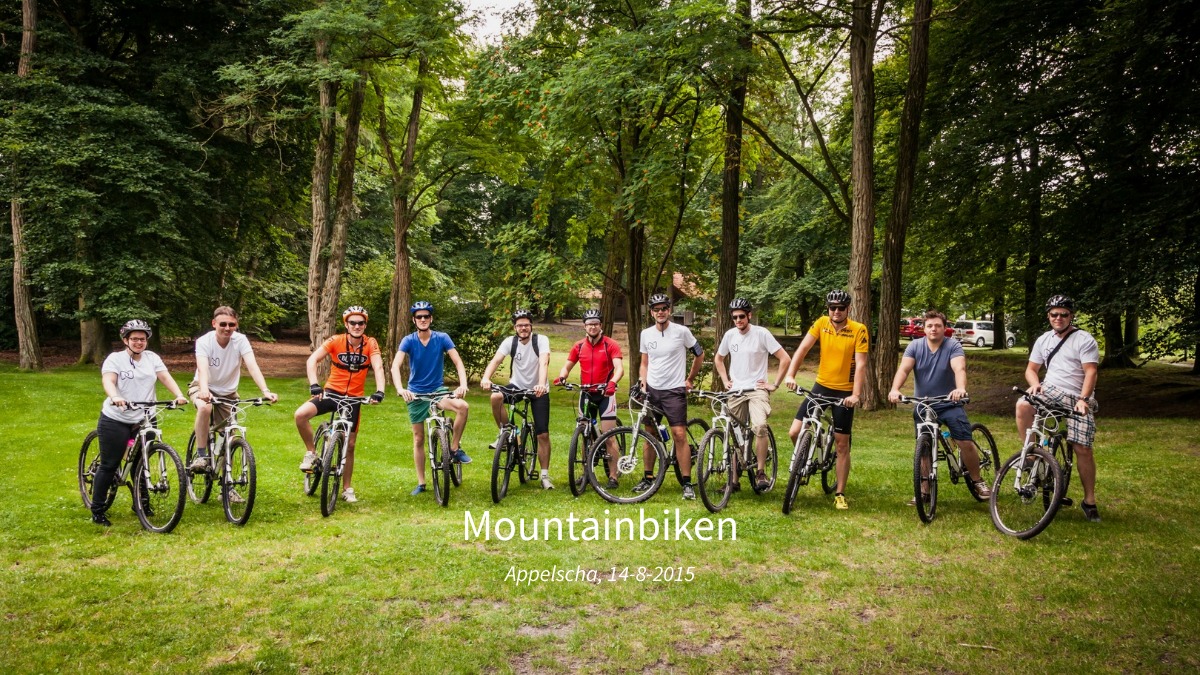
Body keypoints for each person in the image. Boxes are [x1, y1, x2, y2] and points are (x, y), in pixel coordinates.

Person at [90, 320, 189, 526]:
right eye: (134, 339)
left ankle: (141, 503)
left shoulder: (152, 358)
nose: (139, 342)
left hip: (145, 417)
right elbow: (108, 380)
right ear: (125, 340)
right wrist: (115, 396)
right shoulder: (115, 359)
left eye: (142, 339)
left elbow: (165, 377)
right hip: (117, 417)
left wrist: (178, 394)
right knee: (109, 464)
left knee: (141, 461)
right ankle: (97, 510)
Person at [888, 309, 992, 502]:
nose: (933, 329)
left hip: (949, 403)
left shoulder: (953, 346)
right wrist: (895, 389)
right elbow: (903, 370)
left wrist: (960, 389)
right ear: (924, 328)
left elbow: (959, 368)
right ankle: (924, 490)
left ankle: (977, 480)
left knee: (964, 442)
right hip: (924, 405)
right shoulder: (915, 346)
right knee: (924, 447)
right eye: (929, 326)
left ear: (945, 328)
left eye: (937, 325)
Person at [1017, 294, 1102, 522]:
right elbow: (1031, 369)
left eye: (1064, 314)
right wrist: (1035, 384)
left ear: (1071, 316)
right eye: (1054, 314)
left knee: (1082, 448)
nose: (1058, 318)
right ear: (1048, 316)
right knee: (1023, 404)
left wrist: (1084, 399)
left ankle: (1089, 500)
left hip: (1076, 396)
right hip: (1050, 390)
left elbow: (1091, 371)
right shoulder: (1043, 340)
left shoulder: (1084, 339)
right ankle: (1032, 455)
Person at [783, 289, 869, 510]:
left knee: (842, 445)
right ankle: (806, 457)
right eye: (832, 308)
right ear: (828, 309)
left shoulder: (859, 329)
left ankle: (839, 493)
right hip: (821, 387)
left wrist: (856, 395)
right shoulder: (821, 323)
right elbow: (802, 349)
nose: (836, 311)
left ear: (848, 309)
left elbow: (861, 364)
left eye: (841, 308)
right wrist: (790, 375)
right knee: (794, 432)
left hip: (844, 392)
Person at [294, 306, 386, 504]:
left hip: (354, 398)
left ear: (365, 325)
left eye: (360, 323)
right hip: (331, 393)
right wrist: (314, 384)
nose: (357, 326)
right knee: (300, 415)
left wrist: (380, 391)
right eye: (353, 323)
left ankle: (347, 488)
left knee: (350, 444)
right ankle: (311, 453)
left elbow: (378, 366)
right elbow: (312, 360)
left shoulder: (370, 343)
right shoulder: (335, 340)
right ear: (346, 324)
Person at [187, 307, 278, 477]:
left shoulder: (240, 340)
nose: (227, 328)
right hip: (203, 386)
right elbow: (203, 369)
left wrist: (265, 390)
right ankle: (201, 455)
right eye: (223, 324)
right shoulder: (204, 341)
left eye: (231, 324)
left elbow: (252, 365)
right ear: (214, 324)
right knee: (205, 407)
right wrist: (204, 391)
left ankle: (227, 484)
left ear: (236, 325)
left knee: (228, 437)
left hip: (228, 392)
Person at [391, 301, 471, 496]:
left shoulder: (442, 338)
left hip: (437, 391)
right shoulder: (408, 340)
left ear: (431, 318)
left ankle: (454, 449)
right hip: (416, 394)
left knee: (463, 407)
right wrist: (401, 389)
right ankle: (421, 483)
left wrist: (462, 384)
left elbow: (458, 362)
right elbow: (395, 366)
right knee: (418, 438)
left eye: (426, 316)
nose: (423, 319)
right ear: (414, 320)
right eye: (419, 317)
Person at [713, 298, 791, 493]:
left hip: (757, 390)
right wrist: (725, 380)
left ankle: (761, 472)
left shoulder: (761, 334)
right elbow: (719, 358)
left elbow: (785, 358)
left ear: (749, 315)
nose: (738, 320)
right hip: (736, 390)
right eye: (734, 317)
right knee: (734, 432)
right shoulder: (730, 335)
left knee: (760, 426)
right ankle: (734, 480)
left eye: (741, 316)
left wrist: (775, 384)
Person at [637, 293, 705, 500]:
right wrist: (642, 381)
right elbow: (644, 363)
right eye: (656, 310)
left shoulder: (682, 331)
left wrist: (690, 379)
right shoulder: (646, 334)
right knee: (649, 434)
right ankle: (648, 477)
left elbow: (699, 354)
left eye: (664, 309)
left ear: (669, 310)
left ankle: (687, 483)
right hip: (653, 391)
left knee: (679, 434)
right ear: (651, 313)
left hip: (674, 391)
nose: (660, 312)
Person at [482, 309, 554, 489]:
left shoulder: (541, 340)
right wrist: (486, 378)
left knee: (543, 434)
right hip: (517, 386)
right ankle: (505, 432)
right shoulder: (510, 342)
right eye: (520, 325)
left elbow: (543, 362)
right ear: (515, 327)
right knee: (496, 397)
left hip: (538, 389)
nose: (523, 328)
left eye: (526, 325)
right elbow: (496, 361)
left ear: (531, 326)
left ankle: (545, 476)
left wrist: (540, 384)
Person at [554, 308, 625, 487]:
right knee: (585, 434)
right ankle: (586, 473)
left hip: (605, 394)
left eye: (595, 324)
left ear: (600, 325)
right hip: (586, 393)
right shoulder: (578, 346)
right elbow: (567, 366)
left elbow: (619, 368)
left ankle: (613, 476)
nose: (592, 327)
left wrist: (612, 382)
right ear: (584, 326)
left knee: (608, 436)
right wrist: (562, 377)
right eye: (589, 324)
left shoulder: (610, 344)